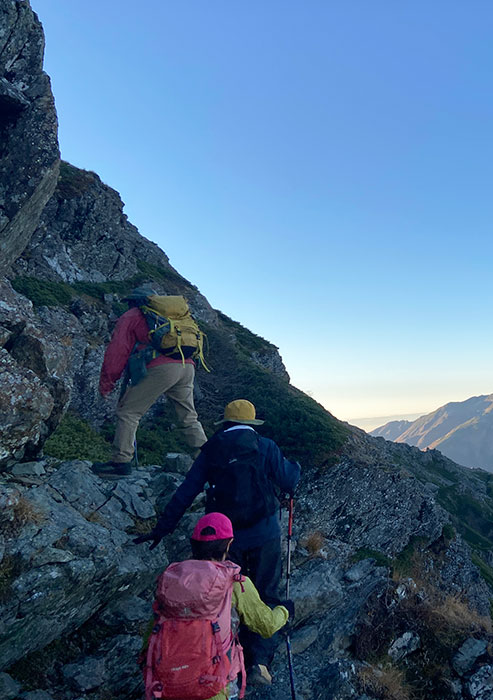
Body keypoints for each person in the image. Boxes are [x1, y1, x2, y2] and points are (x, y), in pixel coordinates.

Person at [135, 399, 301, 686]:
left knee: (224, 595)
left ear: (224, 423)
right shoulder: (265, 446)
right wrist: (295, 467)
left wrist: (162, 529)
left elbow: (187, 492)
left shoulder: (211, 450)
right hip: (265, 534)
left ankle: (219, 654)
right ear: (251, 423)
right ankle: (259, 661)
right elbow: (288, 481)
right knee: (265, 592)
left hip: (224, 540)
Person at [144, 512, 291, 700]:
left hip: (166, 686)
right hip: (214, 687)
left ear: (194, 544)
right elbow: (266, 625)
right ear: (229, 544)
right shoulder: (235, 583)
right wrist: (285, 611)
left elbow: (151, 637)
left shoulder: (171, 580)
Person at [93, 285, 207, 476]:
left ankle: (120, 461)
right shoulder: (174, 316)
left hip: (162, 367)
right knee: (188, 417)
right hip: (187, 366)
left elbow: (118, 351)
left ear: (135, 302)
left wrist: (107, 382)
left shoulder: (132, 316)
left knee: (128, 412)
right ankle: (208, 459)